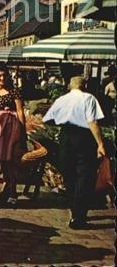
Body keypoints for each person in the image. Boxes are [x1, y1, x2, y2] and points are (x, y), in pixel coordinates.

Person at [43, 76, 106, 228]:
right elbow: (92, 121)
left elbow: (47, 118)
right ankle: (79, 216)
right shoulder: (88, 98)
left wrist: (64, 120)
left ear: (70, 86)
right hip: (84, 138)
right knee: (84, 176)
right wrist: (100, 144)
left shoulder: (61, 99)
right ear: (84, 85)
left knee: (69, 176)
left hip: (66, 137)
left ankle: (74, 211)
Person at [0, 66, 25, 205]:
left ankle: (12, 192)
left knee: (11, 161)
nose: (2, 78)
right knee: (1, 162)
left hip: (11, 129)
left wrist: (22, 129)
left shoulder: (14, 92)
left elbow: (20, 111)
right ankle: (5, 189)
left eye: (5, 76)